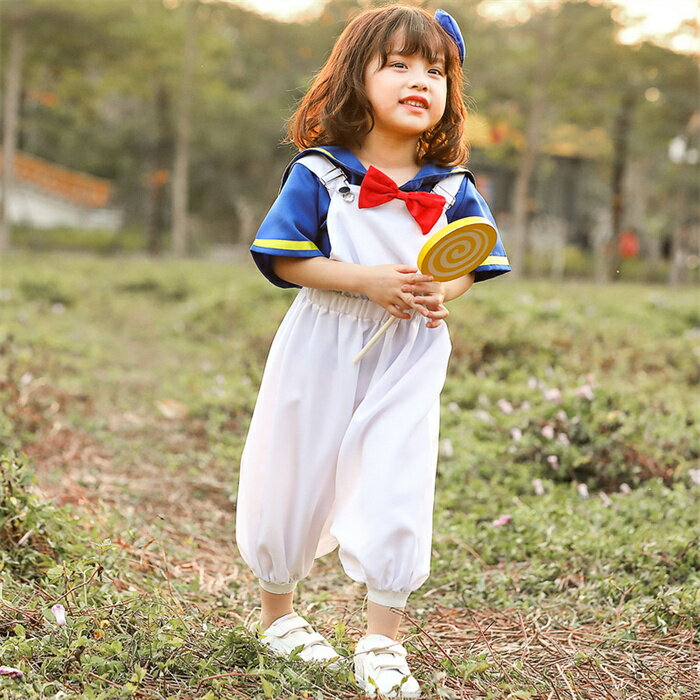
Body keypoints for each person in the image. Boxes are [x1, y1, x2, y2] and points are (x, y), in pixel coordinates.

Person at [235, 5, 510, 697]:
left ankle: (383, 637)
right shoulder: (321, 174)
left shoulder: (452, 187)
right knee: (295, 466)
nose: (420, 80)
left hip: (411, 349)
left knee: (398, 476)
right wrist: (367, 281)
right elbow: (285, 259)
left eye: (437, 70)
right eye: (399, 65)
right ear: (357, 77)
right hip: (323, 337)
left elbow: (474, 260)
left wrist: (439, 290)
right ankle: (279, 616)